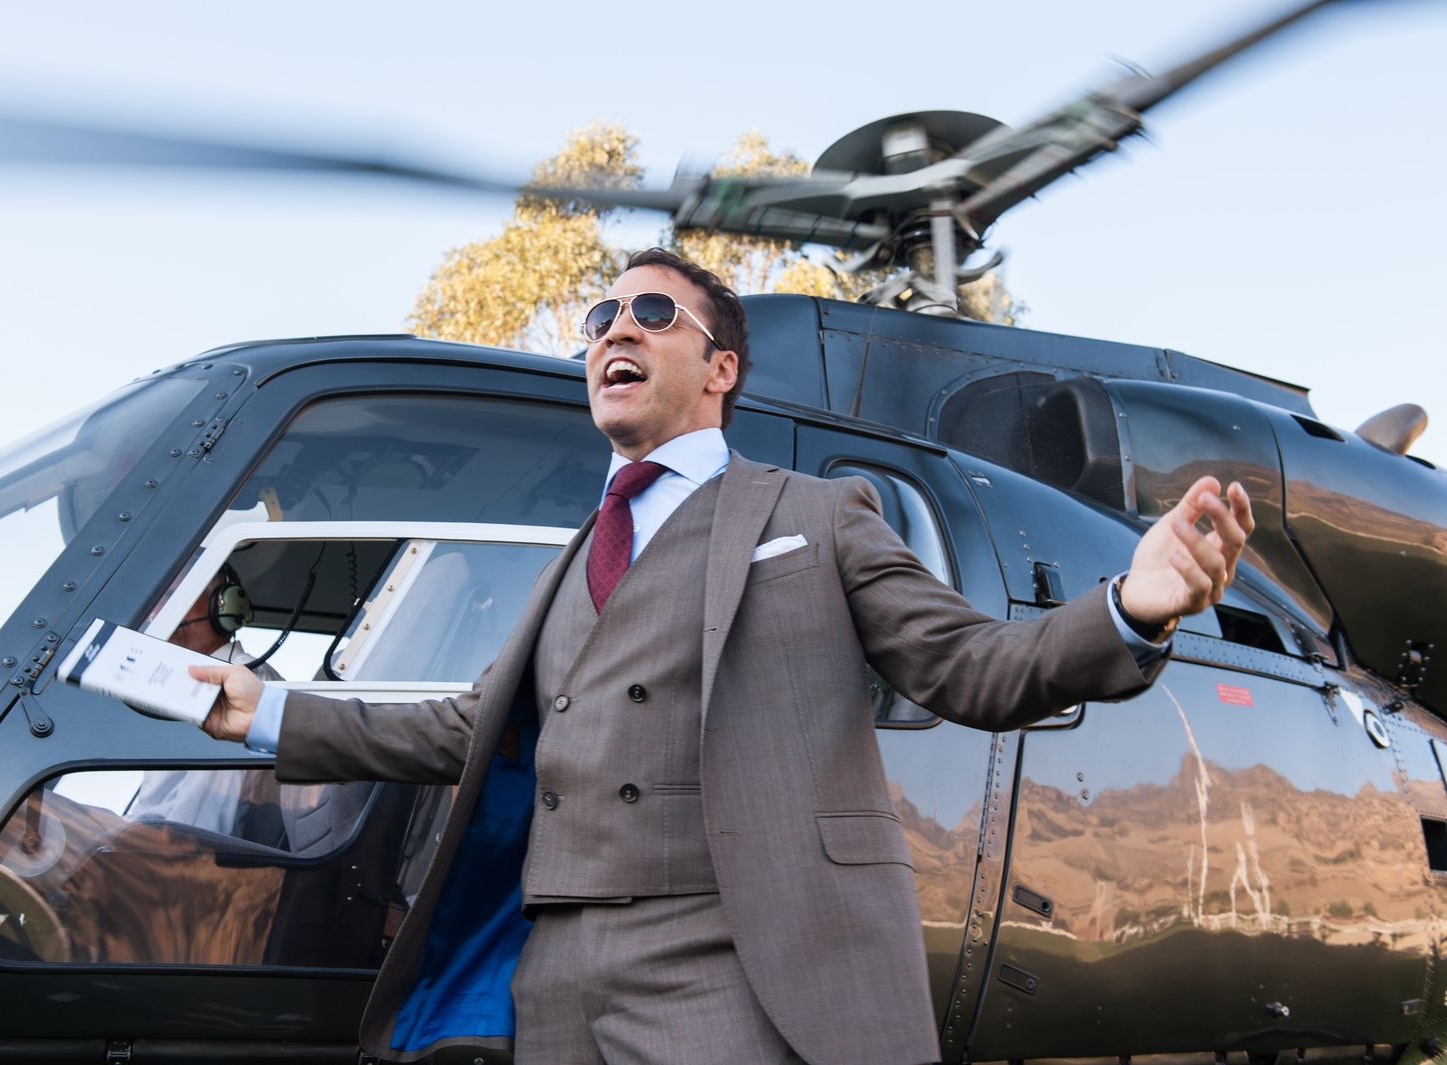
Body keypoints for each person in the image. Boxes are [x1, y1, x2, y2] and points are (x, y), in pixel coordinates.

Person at [192, 248, 1254, 1065]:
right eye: (600, 317)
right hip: (555, 971)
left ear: (721, 369)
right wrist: (266, 710)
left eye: (653, 313)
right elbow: (468, 727)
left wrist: (1130, 608)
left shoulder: (816, 515)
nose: (616, 328)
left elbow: (971, 666)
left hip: (726, 957)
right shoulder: (573, 558)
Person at [126, 565, 283, 837]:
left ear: (222, 605)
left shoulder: (244, 680)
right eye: (156, 600)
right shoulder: (180, 689)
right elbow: (152, 806)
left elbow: (197, 830)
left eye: (173, 596)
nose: (156, 612)